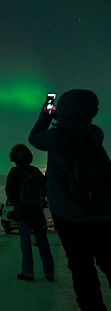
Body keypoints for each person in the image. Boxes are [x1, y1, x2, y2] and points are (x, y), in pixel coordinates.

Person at [28, 89, 111, 311]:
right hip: (102, 210)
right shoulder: (95, 132)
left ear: (62, 109)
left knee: (81, 266)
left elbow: (34, 137)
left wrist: (48, 109)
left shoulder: (57, 136)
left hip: (68, 212)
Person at [5, 144, 54, 282]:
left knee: (25, 243)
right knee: (43, 242)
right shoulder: (36, 171)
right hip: (37, 211)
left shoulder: (14, 172)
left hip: (22, 212)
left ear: (15, 158)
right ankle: (49, 272)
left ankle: (28, 272)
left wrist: (17, 203)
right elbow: (45, 187)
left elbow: (10, 192)